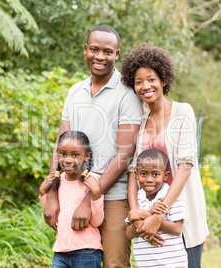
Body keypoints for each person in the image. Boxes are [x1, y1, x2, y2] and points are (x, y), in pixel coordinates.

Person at [43, 25, 143, 267]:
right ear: (85, 50)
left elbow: (125, 153)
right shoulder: (74, 91)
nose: (100, 57)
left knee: (114, 263)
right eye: (95, 50)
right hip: (73, 194)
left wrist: (90, 199)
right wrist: (53, 194)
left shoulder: (128, 93)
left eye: (107, 52)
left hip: (113, 196)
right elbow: (61, 144)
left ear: (117, 54)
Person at [121, 44, 209, 268]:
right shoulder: (140, 122)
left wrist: (159, 215)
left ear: (163, 80)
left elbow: (185, 166)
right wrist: (137, 216)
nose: (145, 86)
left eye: (151, 79)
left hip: (179, 212)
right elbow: (133, 171)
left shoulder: (183, 112)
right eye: (138, 82)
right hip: (146, 212)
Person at [39, 131, 103, 268]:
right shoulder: (57, 181)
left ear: (87, 156)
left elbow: (97, 221)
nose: (68, 159)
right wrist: (43, 192)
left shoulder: (91, 181)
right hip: (61, 251)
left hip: (87, 251)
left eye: (75, 155)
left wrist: (96, 194)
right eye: (63, 154)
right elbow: (55, 216)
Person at [126, 148, 188, 267]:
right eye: (144, 174)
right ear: (137, 175)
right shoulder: (137, 198)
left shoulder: (171, 197)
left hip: (172, 264)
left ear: (165, 176)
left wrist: (144, 215)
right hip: (146, 264)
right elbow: (129, 234)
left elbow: (177, 229)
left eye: (155, 174)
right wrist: (149, 212)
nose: (149, 179)